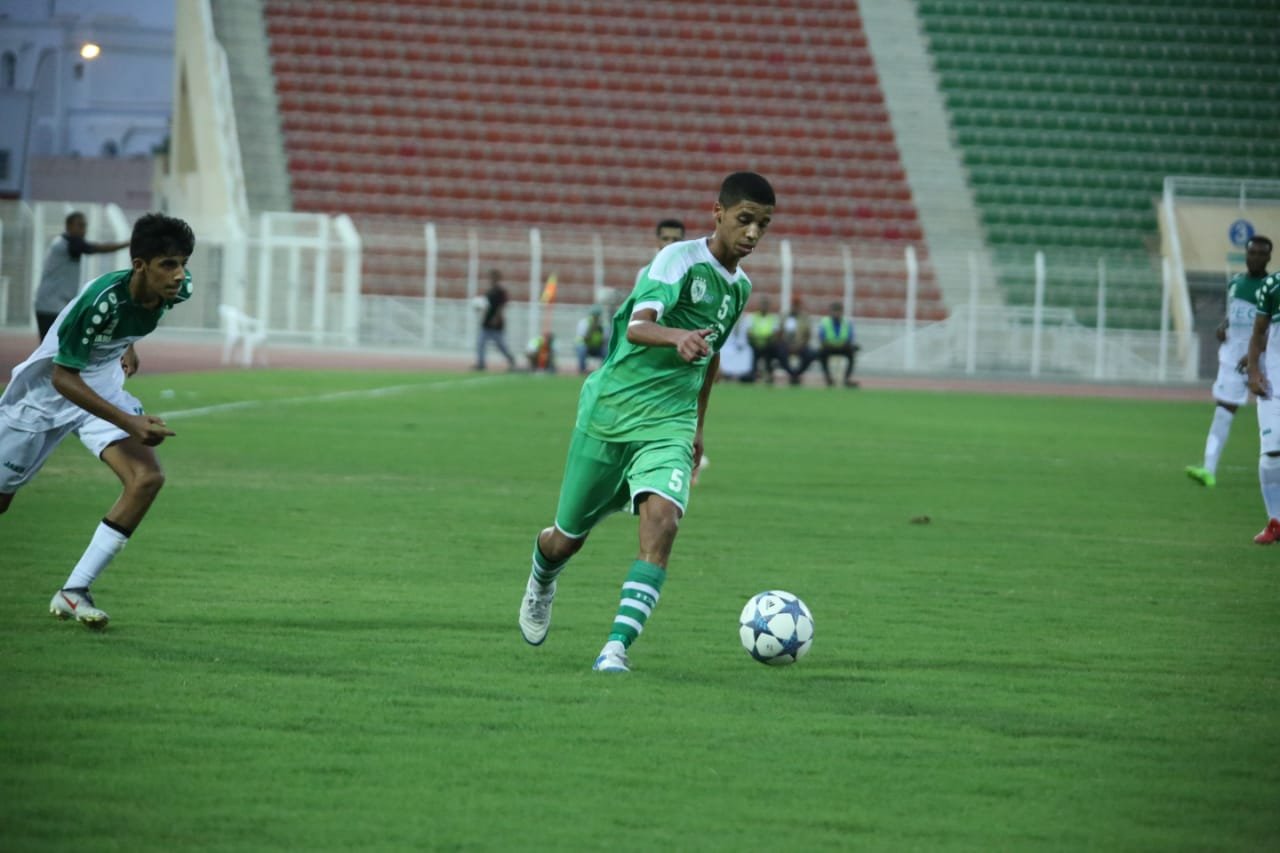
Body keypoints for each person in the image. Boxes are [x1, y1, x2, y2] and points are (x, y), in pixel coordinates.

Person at [517, 172, 775, 672]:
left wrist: (698, 428)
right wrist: (678, 337)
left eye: (762, 225)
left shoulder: (740, 287)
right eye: (745, 219)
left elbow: (712, 358)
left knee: (663, 521)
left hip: (669, 423)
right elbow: (638, 326)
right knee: (565, 539)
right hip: (611, 412)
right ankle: (542, 579)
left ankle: (615, 649)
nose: (752, 233)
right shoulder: (677, 260)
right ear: (718, 213)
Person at [0, 213, 195, 627]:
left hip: (102, 386)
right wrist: (130, 422)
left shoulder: (177, 289)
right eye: (168, 265)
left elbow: (132, 317)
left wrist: (126, 344)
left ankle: (74, 591)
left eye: (183, 263)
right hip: (43, 398)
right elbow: (62, 377)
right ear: (139, 265)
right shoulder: (100, 301)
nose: (180, 274)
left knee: (146, 479)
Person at [1187, 235, 1272, 487]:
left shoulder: (1272, 287)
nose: (1255, 257)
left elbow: (1273, 327)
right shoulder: (1235, 283)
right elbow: (1234, 314)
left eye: (1261, 253)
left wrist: (1254, 355)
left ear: (1269, 257)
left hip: (1264, 362)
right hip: (1233, 360)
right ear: (1246, 254)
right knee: (1223, 412)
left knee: (1272, 414)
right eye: (1252, 252)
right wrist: (1223, 326)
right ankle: (1208, 469)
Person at [34, 211, 131, 340]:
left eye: (85, 226)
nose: (83, 230)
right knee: (53, 346)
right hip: (50, 305)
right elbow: (97, 248)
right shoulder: (68, 244)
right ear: (68, 226)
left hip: (54, 305)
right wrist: (128, 243)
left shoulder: (67, 243)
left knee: (59, 345)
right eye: (80, 225)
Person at [1245, 263, 1280, 543]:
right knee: (1270, 455)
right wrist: (1254, 371)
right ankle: (1275, 522)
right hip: (1274, 386)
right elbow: (1258, 332)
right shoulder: (1273, 285)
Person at [474, 268, 516, 371]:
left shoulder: (500, 291)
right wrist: (481, 311)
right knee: (480, 343)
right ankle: (481, 363)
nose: (490, 279)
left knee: (500, 345)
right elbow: (486, 306)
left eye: (492, 277)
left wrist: (496, 318)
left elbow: (502, 306)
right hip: (486, 322)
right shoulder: (489, 291)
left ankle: (510, 359)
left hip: (496, 323)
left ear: (497, 278)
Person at [816, 301, 860, 388]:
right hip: (829, 347)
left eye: (838, 311)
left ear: (841, 312)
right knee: (821, 353)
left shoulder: (847, 323)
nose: (836, 313)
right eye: (834, 311)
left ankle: (846, 379)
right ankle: (828, 378)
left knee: (852, 352)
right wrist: (828, 344)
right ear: (830, 312)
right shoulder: (825, 322)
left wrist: (846, 344)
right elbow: (821, 337)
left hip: (843, 347)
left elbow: (851, 337)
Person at [746, 295, 785, 383]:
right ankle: (753, 375)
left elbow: (776, 333)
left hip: (768, 344)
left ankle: (769, 375)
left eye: (765, 305)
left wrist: (764, 338)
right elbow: (749, 333)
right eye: (762, 304)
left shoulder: (773, 318)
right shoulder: (753, 317)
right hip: (755, 344)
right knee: (752, 352)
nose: (764, 306)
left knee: (771, 352)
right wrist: (758, 339)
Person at [781, 296, 817, 385]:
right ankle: (792, 373)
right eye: (794, 305)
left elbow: (807, 335)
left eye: (797, 305)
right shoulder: (785, 317)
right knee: (779, 352)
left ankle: (796, 374)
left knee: (811, 354)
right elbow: (780, 333)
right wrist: (787, 345)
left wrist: (800, 346)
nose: (795, 307)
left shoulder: (804, 317)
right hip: (786, 345)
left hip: (800, 346)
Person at [574, 305, 607, 374]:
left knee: (606, 350)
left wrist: (601, 331)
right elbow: (584, 339)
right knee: (581, 349)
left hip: (597, 347)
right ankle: (582, 370)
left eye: (597, 316)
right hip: (586, 346)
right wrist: (592, 329)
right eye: (594, 316)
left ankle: (604, 370)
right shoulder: (584, 323)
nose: (596, 318)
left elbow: (605, 341)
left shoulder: (604, 325)